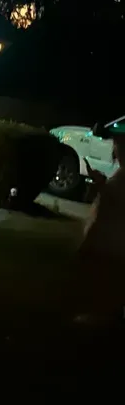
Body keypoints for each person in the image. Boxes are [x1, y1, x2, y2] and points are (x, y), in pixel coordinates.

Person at [75, 118, 125, 325]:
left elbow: (110, 211)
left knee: (104, 285)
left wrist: (86, 246)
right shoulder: (119, 177)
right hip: (113, 247)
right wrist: (102, 183)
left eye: (118, 144)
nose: (115, 148)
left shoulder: (121, 180)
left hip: (111, 248)